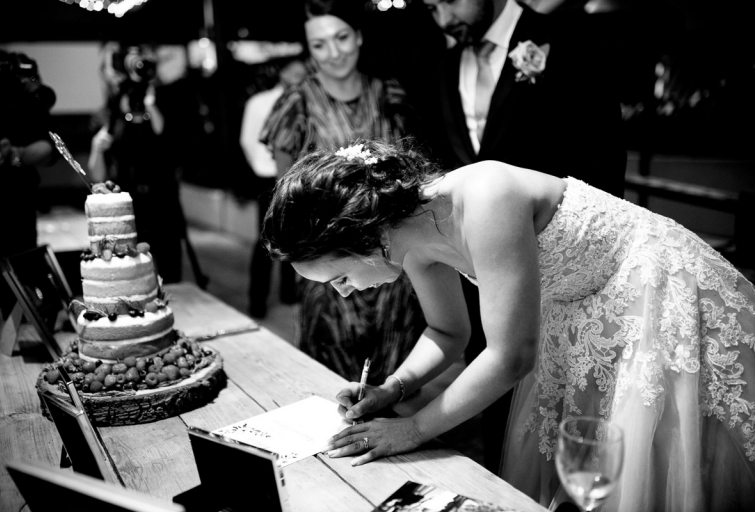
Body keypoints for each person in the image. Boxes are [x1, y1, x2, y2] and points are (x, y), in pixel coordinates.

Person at [262, 139, 755, 512]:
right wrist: (393, 388)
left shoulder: (485, 195)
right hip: (576, 305)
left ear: (363, 237)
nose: (344, 292)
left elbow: (510, 356)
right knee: (592, 463)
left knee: (677, 451)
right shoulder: (406, 238)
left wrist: (412, 429)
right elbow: (447, 333)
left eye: (341, 278)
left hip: (654, 288)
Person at [418, 0, 628, 472]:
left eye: (448, 2)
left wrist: (591, 264)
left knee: (577, 408)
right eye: (432, 8)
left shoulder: (568, 42)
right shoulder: (446, 62)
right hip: (485, 268)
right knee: (499, 401)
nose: (443, 18)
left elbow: (603, 154)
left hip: (570, 269)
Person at [259, 0, 426, 384]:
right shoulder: (296, 103)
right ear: (309, 49)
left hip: (393, 259)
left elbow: (413, 168)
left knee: (395, 363)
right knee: (330, 368)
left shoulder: (388, 93)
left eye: (342, 38)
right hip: (329, 263)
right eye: (319, 44)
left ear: (359, 36)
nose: (333, 53)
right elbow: (287, 201)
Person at [88, 43, 194, 284]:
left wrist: (150, 103)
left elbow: (166, 137)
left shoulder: (162, 103)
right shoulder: (109, 115)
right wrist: (97, 147)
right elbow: (97, 175)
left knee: (169, 266)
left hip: (162, 200)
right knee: (128, 271)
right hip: (125, 202)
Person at [0, 43, 55, 313]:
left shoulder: (14, 66)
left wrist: (16, 153)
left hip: (16, 204)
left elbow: (50, 146)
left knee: (20, 291)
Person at [242, 57, 307, 318]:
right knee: (265, 240)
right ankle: (256, 301)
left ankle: (289, 294)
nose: (297, 75)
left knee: (295, 235)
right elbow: (248, 139)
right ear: (281, 73)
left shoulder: (307, 101)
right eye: (292, 70)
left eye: (302, 72)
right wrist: (262, 168)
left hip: (298, 177)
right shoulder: (259, 102)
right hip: (268, 178)